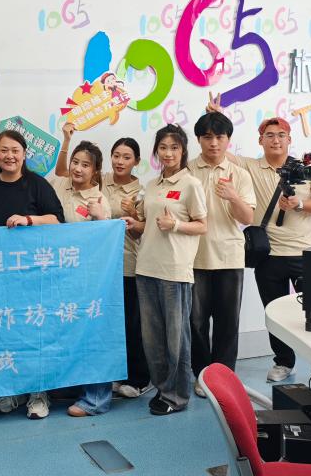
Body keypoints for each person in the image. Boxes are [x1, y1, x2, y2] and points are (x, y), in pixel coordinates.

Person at [207, 93, 311, 383]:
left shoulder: (307, 169)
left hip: (305, 254)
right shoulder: (250, 167)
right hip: (268, 256)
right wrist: (217, 116)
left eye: (281, 135)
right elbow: (221, 151)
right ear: (260, 140)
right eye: (269, 135)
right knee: (274, 313)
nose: (275, 140)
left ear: (289, 140)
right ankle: (283, 362)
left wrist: (300, 204)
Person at [56, 123, 150, 399]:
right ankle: (112, 375)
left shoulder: (140, 191)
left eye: (127, 157)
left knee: (130, 323)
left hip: (126, 263)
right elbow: (63, 173)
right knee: (104, 323)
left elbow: (141, 228)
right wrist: (66, 140)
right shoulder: (100, 181)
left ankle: (138, 378)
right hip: (95, 269)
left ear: (136, 161)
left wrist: (133, 216)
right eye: (116, 155)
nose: (120, 161)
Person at [0, 129, 64, 419]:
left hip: (33, 274)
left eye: (15, 150)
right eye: (4, 150)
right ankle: (9, 390)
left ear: (25, 154)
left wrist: (29, 220)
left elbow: (57, 220)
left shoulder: (36, 184)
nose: (9, 156)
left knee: (34, 333)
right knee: (3, 332)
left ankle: (38, 394)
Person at [123, 124, 207, 416]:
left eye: (174, 147)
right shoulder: (152, 185)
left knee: (177, 339)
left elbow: (202, 225)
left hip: (174, 271)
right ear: (156, 151)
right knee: (152, 337)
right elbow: (150, 226)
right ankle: (163, 388)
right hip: (146, 268)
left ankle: (178, 396)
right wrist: (135, 224)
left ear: (183, 151)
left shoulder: (191, 184)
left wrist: (177, 225)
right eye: (163, 147)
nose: (168, 153)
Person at [187, 112, 255, 398]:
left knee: (228, 322)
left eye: (219, 137)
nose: (213, 143)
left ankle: (224, 377)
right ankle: (203, 375)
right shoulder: (187, 171)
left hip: (229, 256)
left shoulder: (240, 174)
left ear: (228, 140)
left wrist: (233, 197)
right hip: (193, 257)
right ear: (198, 140)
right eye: (207, 137)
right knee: (196, 322)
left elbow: (248, 218)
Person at [49, 137, 116, 417]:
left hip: (89, 279)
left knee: (92, 334)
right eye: (75, 162)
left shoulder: (99, 200)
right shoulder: (59, 185)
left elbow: (107, 240)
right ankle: (71, 388)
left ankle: (97, 399)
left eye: (85, 165)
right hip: (59, 277)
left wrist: (100, 218)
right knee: (66, 333)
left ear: (95, 170)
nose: (77, 168)